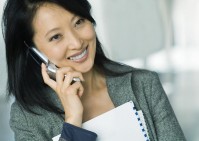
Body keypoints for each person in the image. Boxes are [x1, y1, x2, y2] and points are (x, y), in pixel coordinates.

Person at [2, 0, 186, 140]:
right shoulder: (28, 117)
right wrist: (73, 120)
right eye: (56, 36)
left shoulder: (144, 84)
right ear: (33, 50)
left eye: (79, 22)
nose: (76, 42)